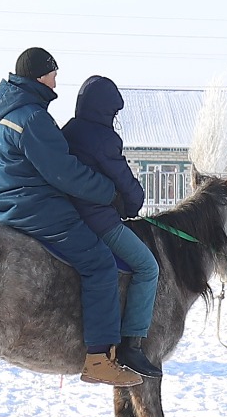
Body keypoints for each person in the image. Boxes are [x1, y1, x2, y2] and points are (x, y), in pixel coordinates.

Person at [0, 47, 144, 388]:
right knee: (100, 263)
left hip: (8, 202)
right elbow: (65, 174)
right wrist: (107, 193)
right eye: (54, 74)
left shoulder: (4, 111)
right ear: (40, 75)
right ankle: (100, 358)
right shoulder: (32, 118)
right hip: (37, 207)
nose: (57, 81)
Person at [61, 75, 161, 378]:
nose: (115, 120)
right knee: (147, 267)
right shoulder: (105, 139)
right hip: (99, 220)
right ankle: (132, 343)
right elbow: (126, 183)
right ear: (106, 111)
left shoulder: (68, 130)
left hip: (67, 217)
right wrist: (133, 205)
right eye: (114, 114)